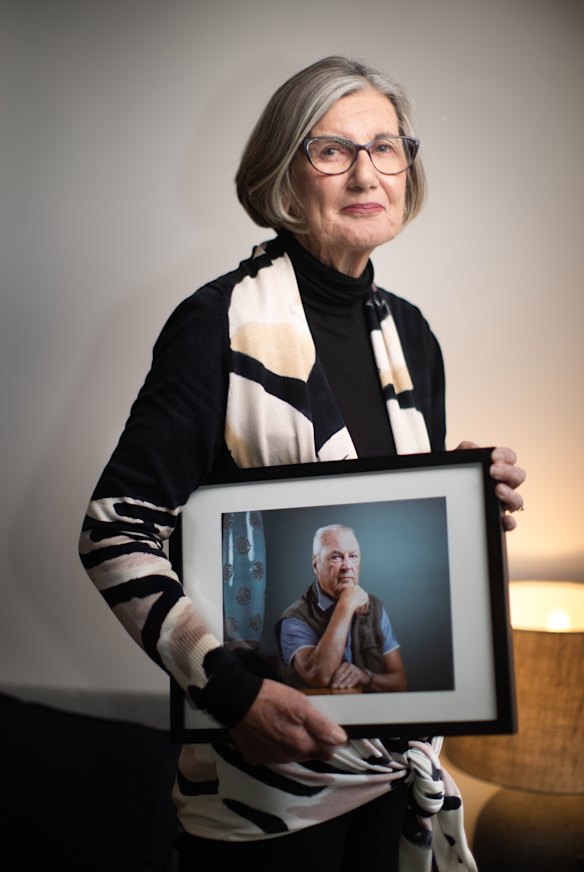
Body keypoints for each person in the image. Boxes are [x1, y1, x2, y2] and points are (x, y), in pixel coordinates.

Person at [79, 56, 525, 871]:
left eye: (386, 147)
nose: (366, 171)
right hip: (263, 796)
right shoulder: (214, 323)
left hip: (398, 777)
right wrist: (232, 693)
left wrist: (462, 495)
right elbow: (116, 532)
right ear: (287, 170)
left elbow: (381, 493)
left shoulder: (412, 334)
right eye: (333, 150)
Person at [278, 524, 408, 693]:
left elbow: (400, 682)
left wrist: (365, 677)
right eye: (336, 557)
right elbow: (318, 675)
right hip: (316, 716)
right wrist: (345, 605)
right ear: (316, 564)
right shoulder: (294, 619)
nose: (347, 566)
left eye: (353, 556)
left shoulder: (375, 608)